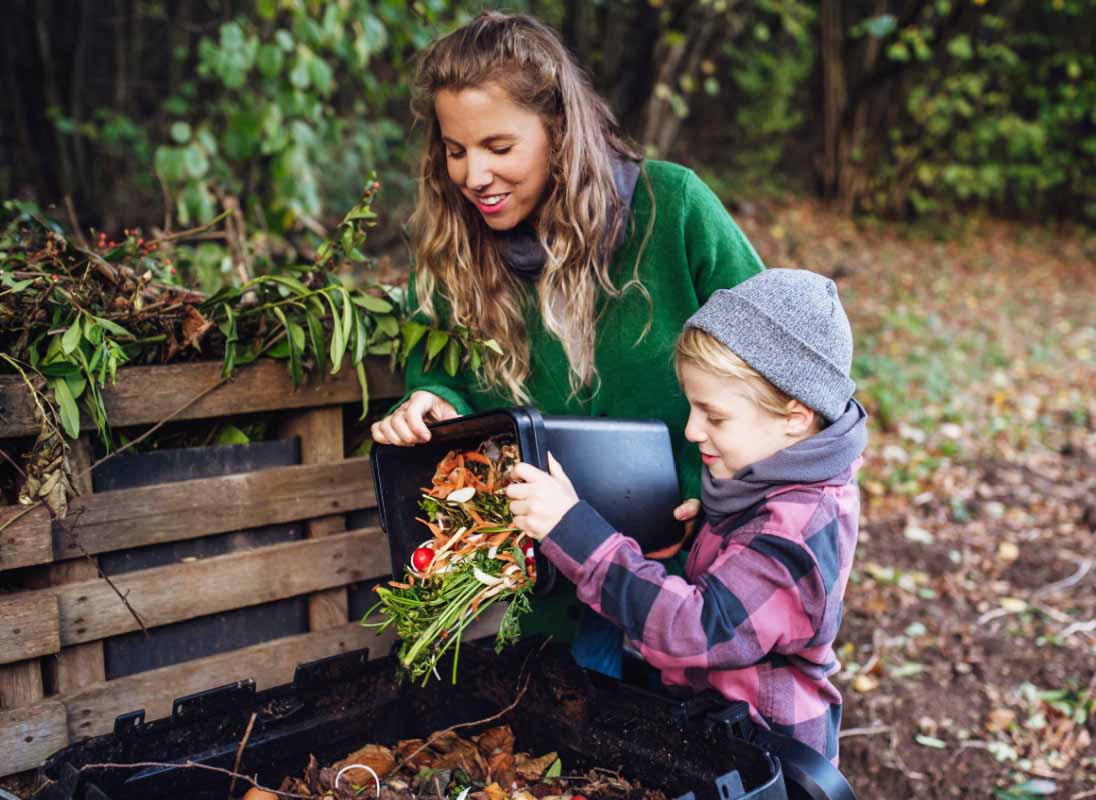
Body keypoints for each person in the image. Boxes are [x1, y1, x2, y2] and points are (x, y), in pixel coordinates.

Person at [368, 11, 765, 674]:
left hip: (701, 579)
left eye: (499, 146)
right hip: (557, 590)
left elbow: (776, 368)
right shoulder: (452, 252)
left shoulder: (673, 208)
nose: (473, 176)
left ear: (558, 129)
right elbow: (442, 373)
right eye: (455, 150)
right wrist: (432, 399)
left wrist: (719, 494)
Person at [505, 269, 868, 763]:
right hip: (709, 724)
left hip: (764, 753)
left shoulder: (799, 525)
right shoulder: (776, 475)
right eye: (692, 408)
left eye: (714, 416)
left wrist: (573, 532)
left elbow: (696, 629)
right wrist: (706, 532)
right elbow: (746, 565)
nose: (694, 430)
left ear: (794, 416)